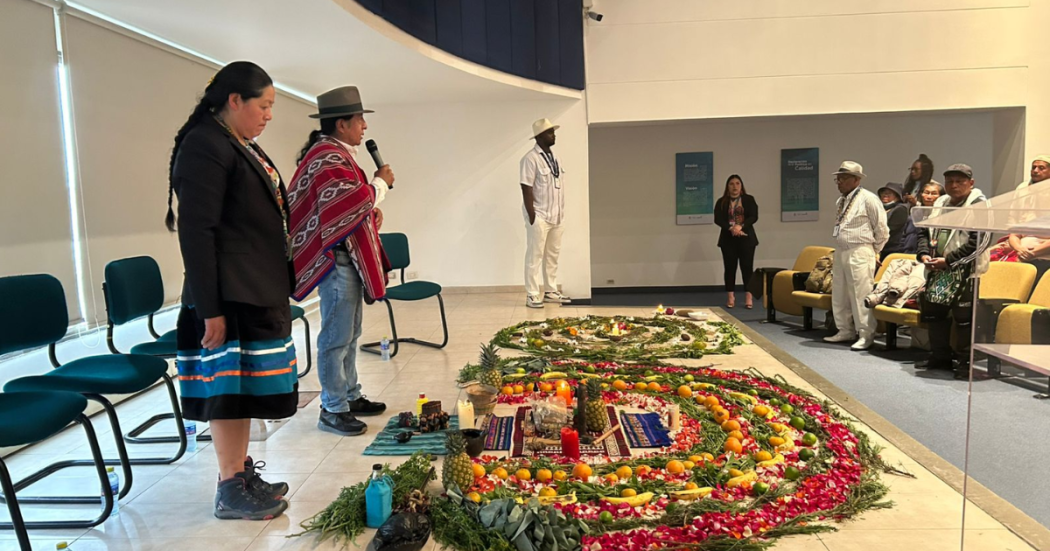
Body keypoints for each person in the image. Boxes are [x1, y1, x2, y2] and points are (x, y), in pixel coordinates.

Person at [167, 61, 295, 520]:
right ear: (235, 100)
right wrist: (210, 309)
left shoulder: (236, 142)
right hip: (226, 296)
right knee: (228, 393)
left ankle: (241, 472)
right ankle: (228, 486)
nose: (269, 115)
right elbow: (196, 232)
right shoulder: (204, 145)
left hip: (251, 289)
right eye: (264, 105)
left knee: (243, 392)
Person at [287, 86, 392, 436]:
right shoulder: (327, 157)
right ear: (342, 123)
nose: (364, 127)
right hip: (336, 261)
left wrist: (369, 215)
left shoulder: (337, 154)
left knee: (350, 332)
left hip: (349, 258)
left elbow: (345, 209)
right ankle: (332, 408)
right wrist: (380, 184)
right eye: (360, 120)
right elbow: (343, 206)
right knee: (335, 335)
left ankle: (349, 394)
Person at [916, 164, 987, 379]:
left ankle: (965, 362)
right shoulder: (939, 203)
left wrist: (949, 260)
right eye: (950, 181)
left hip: (967, 270)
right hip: (937, 268)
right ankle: (940, 357)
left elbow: (980, 242)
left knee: (964, 318)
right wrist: (923, 254)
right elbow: (923, 232)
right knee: (935, 314)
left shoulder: (980, 206)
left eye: (960, 181)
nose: (954, 185)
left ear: (971, 183)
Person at [823, 161, 889, 351]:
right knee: (840, 293)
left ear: (856, 179)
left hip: (860, 250)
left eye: (843, 178)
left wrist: (874, 251)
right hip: (842, 249)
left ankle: (866, 334)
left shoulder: (869, 199)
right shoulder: (841, 200)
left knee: (860, 294)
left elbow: (882, 230)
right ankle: (844, 329)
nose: (839, 182)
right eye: (838, 178)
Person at [521, 118, 570, 308]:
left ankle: (550, 290)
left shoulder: (555, 157)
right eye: (550, 133)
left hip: (557, 216)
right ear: (540, 137)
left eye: (553, 132)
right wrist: (533, 216)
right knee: (535, 255)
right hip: (540, 215)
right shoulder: (530, 159)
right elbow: (526, 188)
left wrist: (561, 214)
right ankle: (532, 294)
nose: (553, 135)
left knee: (552, 255)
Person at [713, 174, 758, 308]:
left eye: (737, 183)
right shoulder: (722, 202)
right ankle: (730, 297)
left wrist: (740, 226)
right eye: (732, 184)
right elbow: (718, 219)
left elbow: (753, 216)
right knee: (730, 268)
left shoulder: (748, 199)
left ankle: (749, 297)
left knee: (747, 268)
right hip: (728, 239)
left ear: (741, 186)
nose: (735, 186)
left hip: (746, 238)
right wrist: (730, 228)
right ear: (728, 186)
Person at [1006, 156, 1050, 279]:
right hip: (1021, 251)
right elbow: (1014, 229)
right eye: (1033, 167)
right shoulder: (1023, 188)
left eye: (1041, 168)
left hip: (1042, 254)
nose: (1035, 171)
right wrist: (1019, 248)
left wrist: (1034, 252)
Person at [877, 182, 918, 260]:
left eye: (889, 193)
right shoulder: (880, 208)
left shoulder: (900, 208)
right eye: (883, 192)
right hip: (881, 248)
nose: (885, 194)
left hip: (891, 250)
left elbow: (889, 229)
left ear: (897, 196)